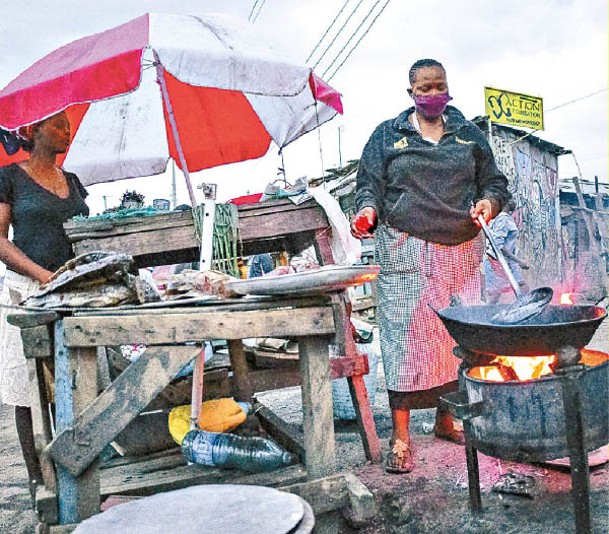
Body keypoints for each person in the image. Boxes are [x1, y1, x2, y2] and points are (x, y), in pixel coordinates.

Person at [350, 59, 508, 473]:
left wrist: (489, 204)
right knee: (407, 342)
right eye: (425, 87)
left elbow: (494, 183)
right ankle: (400, 436)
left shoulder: (468, 134)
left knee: (457, 340)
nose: (433, 93)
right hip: (408, 248)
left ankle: (445, 419)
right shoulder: (388, 135)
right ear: (411, 93)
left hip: (462, 250)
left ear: (448, 88)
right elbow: (368, 184)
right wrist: (366, 210)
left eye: (439, 85)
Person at [0, 111, 89, 498]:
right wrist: (41, 275)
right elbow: (0, 241)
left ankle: (79, 471)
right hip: (26, 290)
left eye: (68, 125)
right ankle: (41, 483)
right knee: (27, 388)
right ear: (32, 130)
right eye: (57, 124)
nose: (66, 131)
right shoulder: (10, 177)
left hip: (72, 290)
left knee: (78, 380)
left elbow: (84, 232)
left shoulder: (72, 181)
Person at [483, 196, 529, 304]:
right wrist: (519, 261)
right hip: (496, 262)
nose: (515, 202)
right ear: (506, 202)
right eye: (512, 199)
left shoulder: (504, 218)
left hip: (508, 262)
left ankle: (522, 312)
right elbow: (497, 246)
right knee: (495, 295)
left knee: (523, 287)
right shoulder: (503, 219)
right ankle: (487, 317)